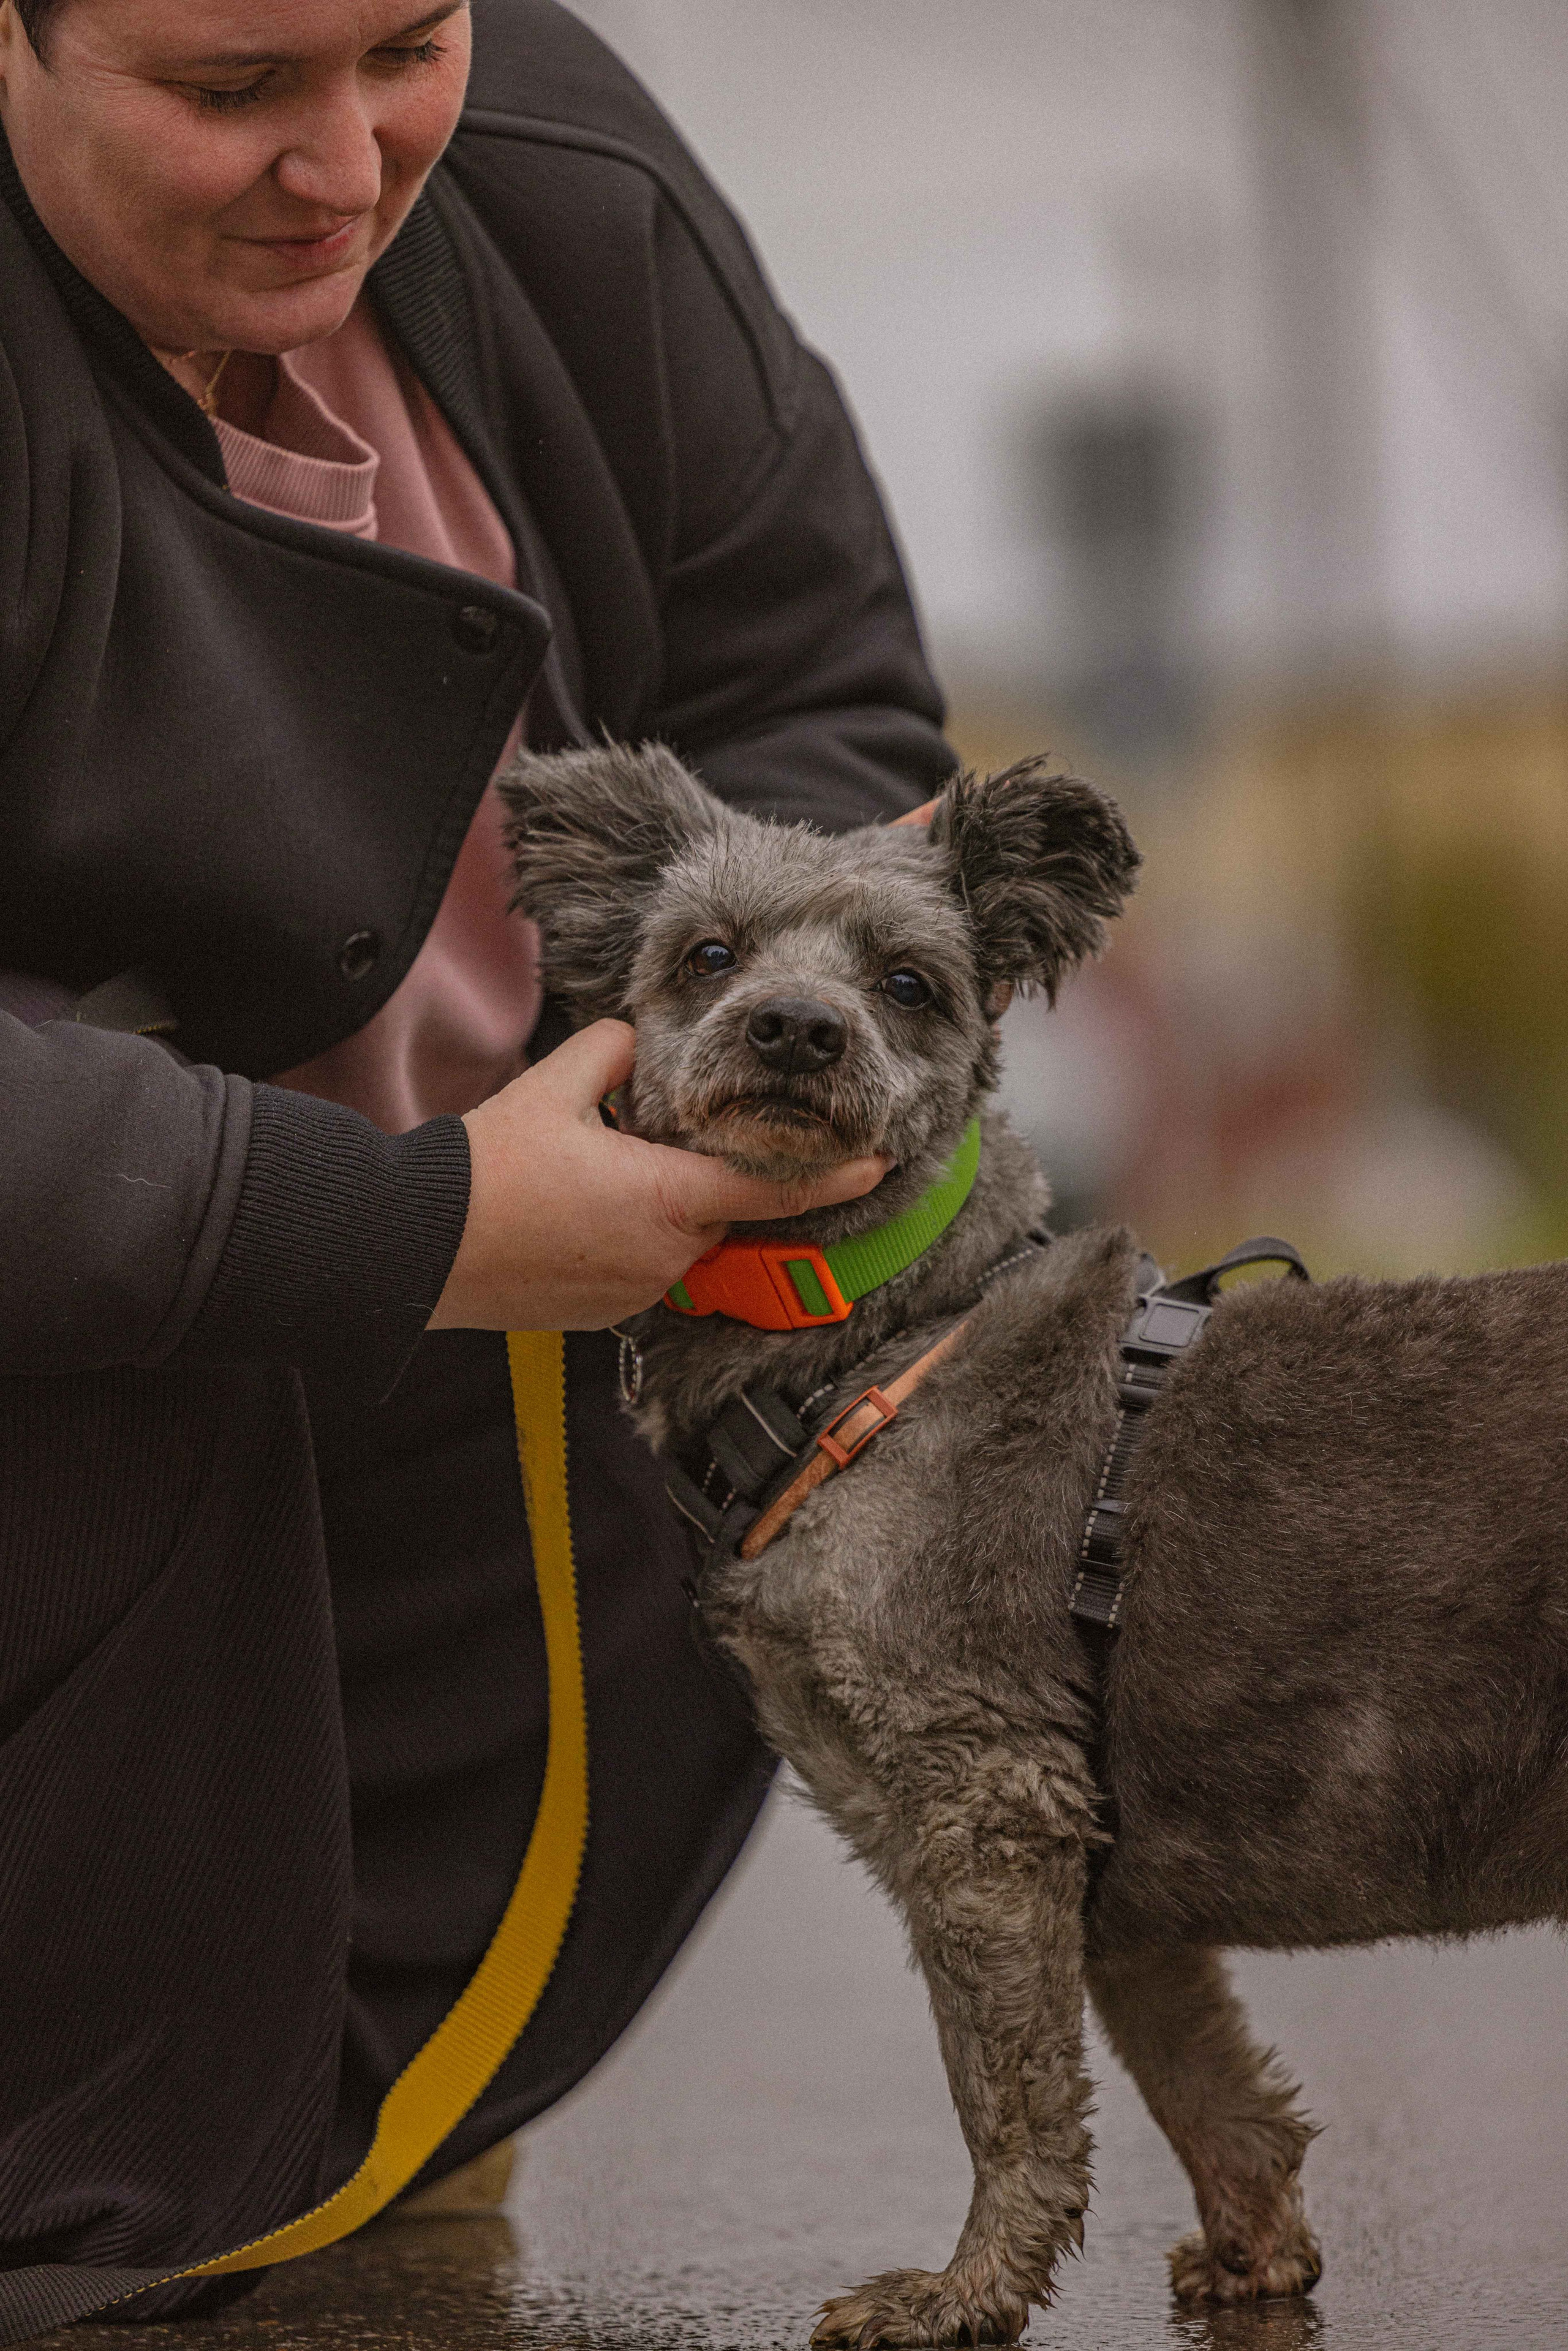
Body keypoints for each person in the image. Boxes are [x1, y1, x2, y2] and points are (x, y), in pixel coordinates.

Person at [0, 0, 956, 2327]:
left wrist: (682, 1060)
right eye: (228, 91)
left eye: (402, 46)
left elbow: (811, 679)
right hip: (97, 1404)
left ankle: (372, 2216)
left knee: (356, 2188)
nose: (344, 160)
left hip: (485, 1411)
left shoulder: (556, 171)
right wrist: (402, 1217)